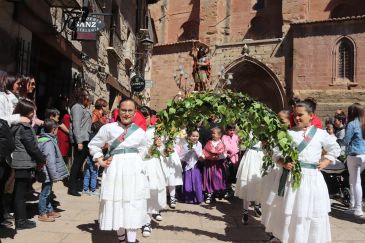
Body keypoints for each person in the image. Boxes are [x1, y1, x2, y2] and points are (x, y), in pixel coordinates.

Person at [272, 99, 340, 243]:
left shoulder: (321, 134)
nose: (296, 118)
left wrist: (326, 160)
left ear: (311, 115)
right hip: (294, 180)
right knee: (295, 212)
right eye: (295, 115)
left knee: (311, 213)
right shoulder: (289, 134)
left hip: (313, 180)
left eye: (300, 115)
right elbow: (275, 153)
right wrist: (283, 163)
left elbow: (335, 148)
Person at [88, 98, 148, 243]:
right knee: (118, 204)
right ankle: (121, 239)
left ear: (135, 113)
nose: (126, 114)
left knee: (133, 204)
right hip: (115, 170)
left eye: (130, 111)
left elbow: (144, 148)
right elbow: (94, 145)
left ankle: (132, 240)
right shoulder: (108, 128)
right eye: (123, 110)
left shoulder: (140, 131)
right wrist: (100, 160)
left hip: (134, 172)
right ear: (118, 111)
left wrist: (136, 161)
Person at [11, 98, 47, 229]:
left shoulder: (17, 124)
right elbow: (31, 147)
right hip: (22, 163)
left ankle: (21, 218)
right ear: (26, 111)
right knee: (20, 194)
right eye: (32, 110)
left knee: (19, 192)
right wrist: (42, 159)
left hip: (19, 162)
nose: (34, 113)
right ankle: (20, 221)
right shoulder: (24, 126)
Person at [0, 73, 30, 227]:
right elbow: (2, 118)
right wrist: (18, 118)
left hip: (10, 144)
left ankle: (4, 213)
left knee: (8, 181)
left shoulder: (12, 97)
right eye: (18, 83)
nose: (20, 86)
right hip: (4, 144)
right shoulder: (2, 98)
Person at [140, 106, 167, 237]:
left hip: (151, 165)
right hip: (137, 164)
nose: (143, 119)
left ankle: (147, 222)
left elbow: (163, 150)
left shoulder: (156, 131)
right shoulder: (133, 131)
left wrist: (162, 146)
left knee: (150, 192)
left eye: (146, 117)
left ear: (150, 118)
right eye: (141, 116)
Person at [37, 119, 69, 222]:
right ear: (54, 130)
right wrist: (54, 176)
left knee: (48, 192)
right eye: (57, 130)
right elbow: (50, 160)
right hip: (47, 172)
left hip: (46, 171)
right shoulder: (48, 142)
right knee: (45, 193)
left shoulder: (44, 139)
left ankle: (49, 210)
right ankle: (42, 213)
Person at [68, 89, 92, 196]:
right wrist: (79, 141)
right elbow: (76, 126)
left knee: (79, 164)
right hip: (81, 139)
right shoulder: (77, 107)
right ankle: (72, 188)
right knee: (76, 164)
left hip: (85, 138)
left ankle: (76, 184)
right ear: (82, 97)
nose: (89, 99)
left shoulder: (83, 108)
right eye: (87, 96)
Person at [343, 103, 365, 217]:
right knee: (354, 181)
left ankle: (357, 208)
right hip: (364, 155)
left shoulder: (352, 124)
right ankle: (353, 205)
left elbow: (346, 140)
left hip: (354, 154)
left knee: (356, 182)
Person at [82, 98, 108, 196]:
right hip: (94, 149)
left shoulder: (99, 115)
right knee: (93, 171)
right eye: (105, 106)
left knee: (89, 171)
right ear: (102, 106)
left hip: (93, 148)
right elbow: (93, 127)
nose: (107, 108)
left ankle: (86, 188)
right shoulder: (96, 114)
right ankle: (92, 189)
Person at [235, 140, 264, 224]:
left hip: (262, 156)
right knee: (247, 183)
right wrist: (242, 142)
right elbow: (242, 146)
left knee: (260, 181)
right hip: (250, 157)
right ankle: (245, 211)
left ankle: (257, 206)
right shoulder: (249, 128)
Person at [178, 129, 204, 204]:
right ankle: (188, 198)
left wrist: (196, 152)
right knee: (188, 181)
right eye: (193, 136)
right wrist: (189, 151)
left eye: (197, 136)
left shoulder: (199, 144)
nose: (195, 138)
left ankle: (198, 198)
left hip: (196, 164)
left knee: (197, 181)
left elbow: (200, 153)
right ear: (189, 136)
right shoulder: (186, 144)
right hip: (187, 164)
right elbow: (182, 155)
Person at [201, 127, 227, 204]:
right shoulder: (209, 142)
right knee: (209, 179)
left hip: (218, 165)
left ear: (219, 135)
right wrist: (203, 156)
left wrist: (219, 156)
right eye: (212, 133)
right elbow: (204, 151)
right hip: (209, 164)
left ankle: (216, 192)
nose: (212, 135)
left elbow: (224, 154)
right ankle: (209, 193)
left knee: (217, 179)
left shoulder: (222, 144)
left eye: (214, 133)